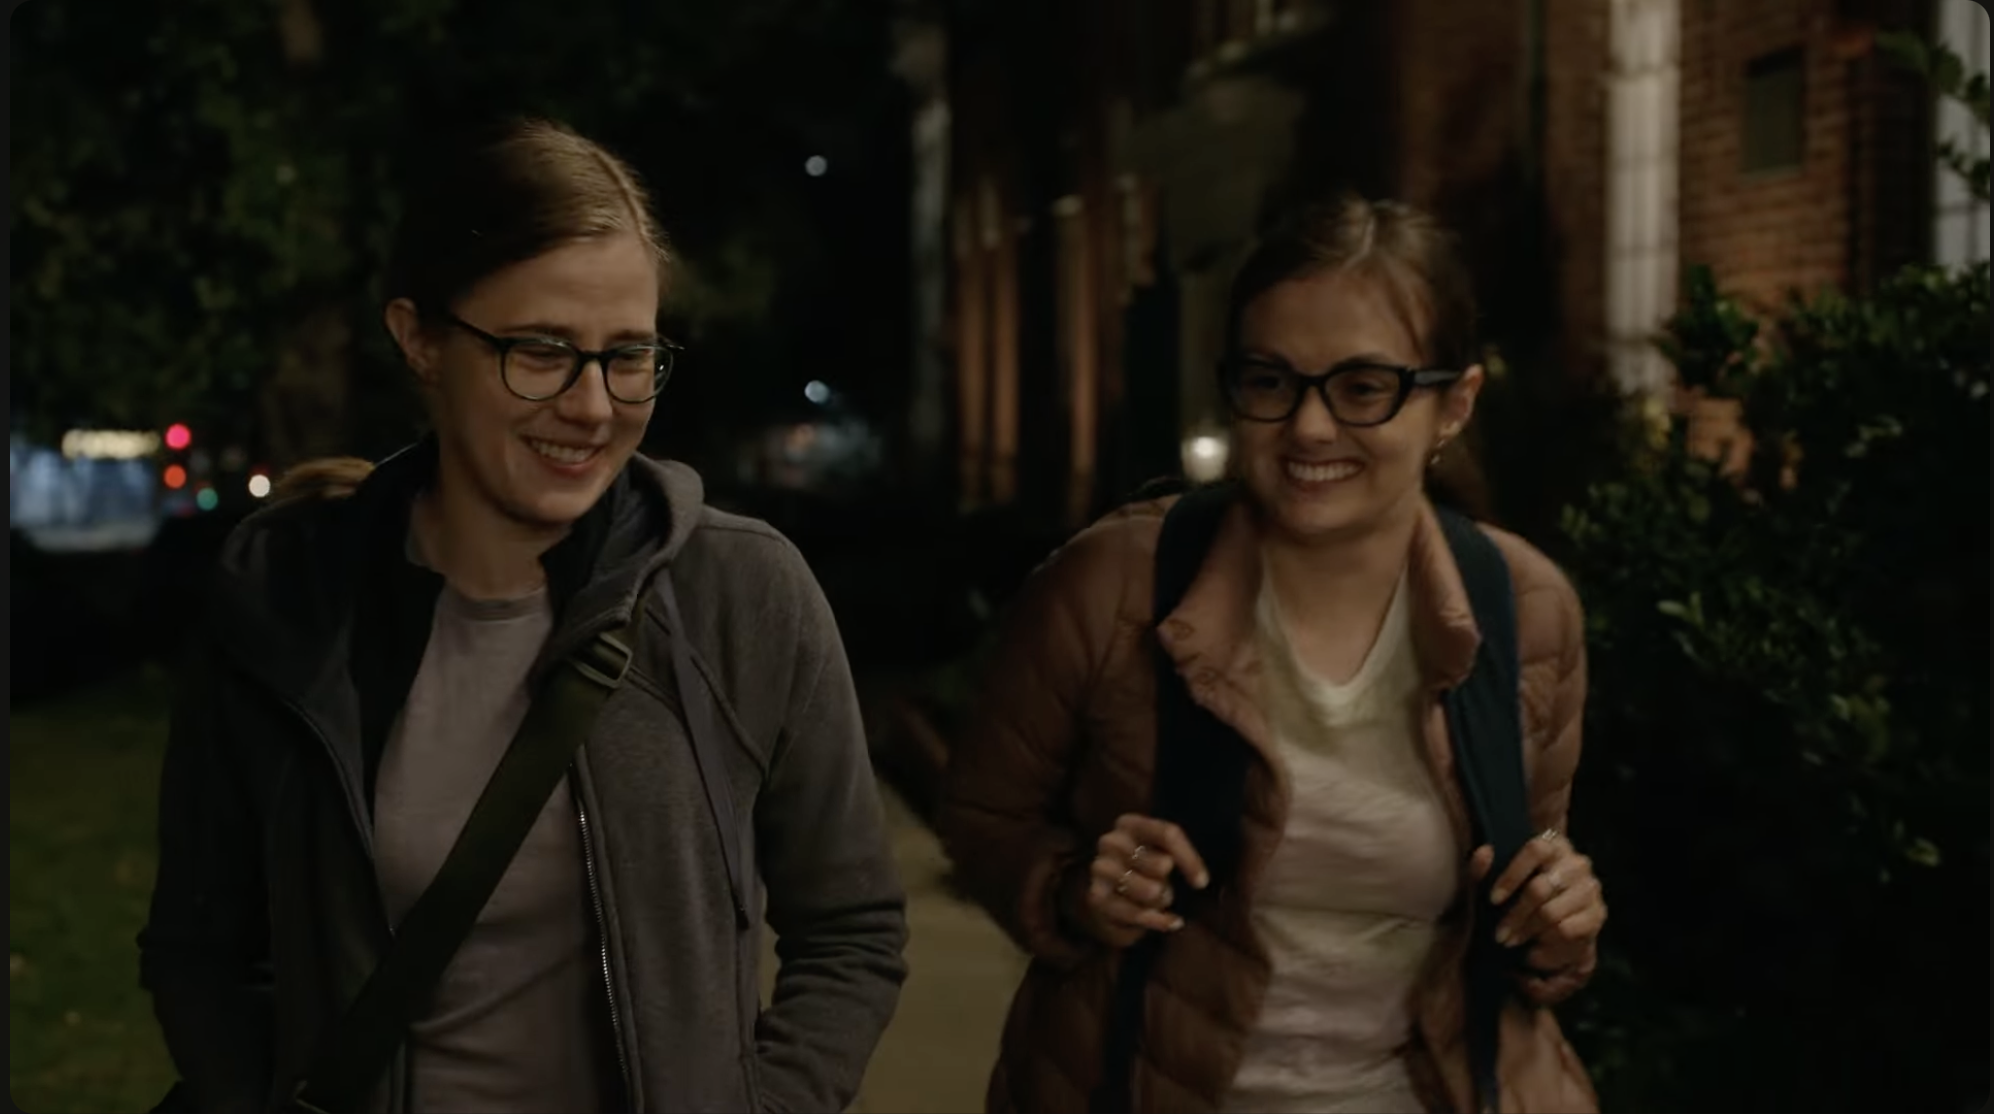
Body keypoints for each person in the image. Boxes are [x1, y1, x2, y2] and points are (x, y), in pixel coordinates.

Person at [138, 116, 908, 1114]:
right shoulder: (287, 606)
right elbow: (198, 947)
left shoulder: (741, 595)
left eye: (628, 355)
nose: (592, 406)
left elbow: (849, 926)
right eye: (541, 351)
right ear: (419, 337)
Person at [937, 195, 1607, 1114]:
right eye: (1270, 381)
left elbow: (1530, 895)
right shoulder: (1114, 585)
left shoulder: (1526, 613)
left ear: (1454, 405)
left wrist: (1560, 921)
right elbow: (984, 818)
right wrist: (1069, 888)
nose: (1310, 427)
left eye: (1364, 387)